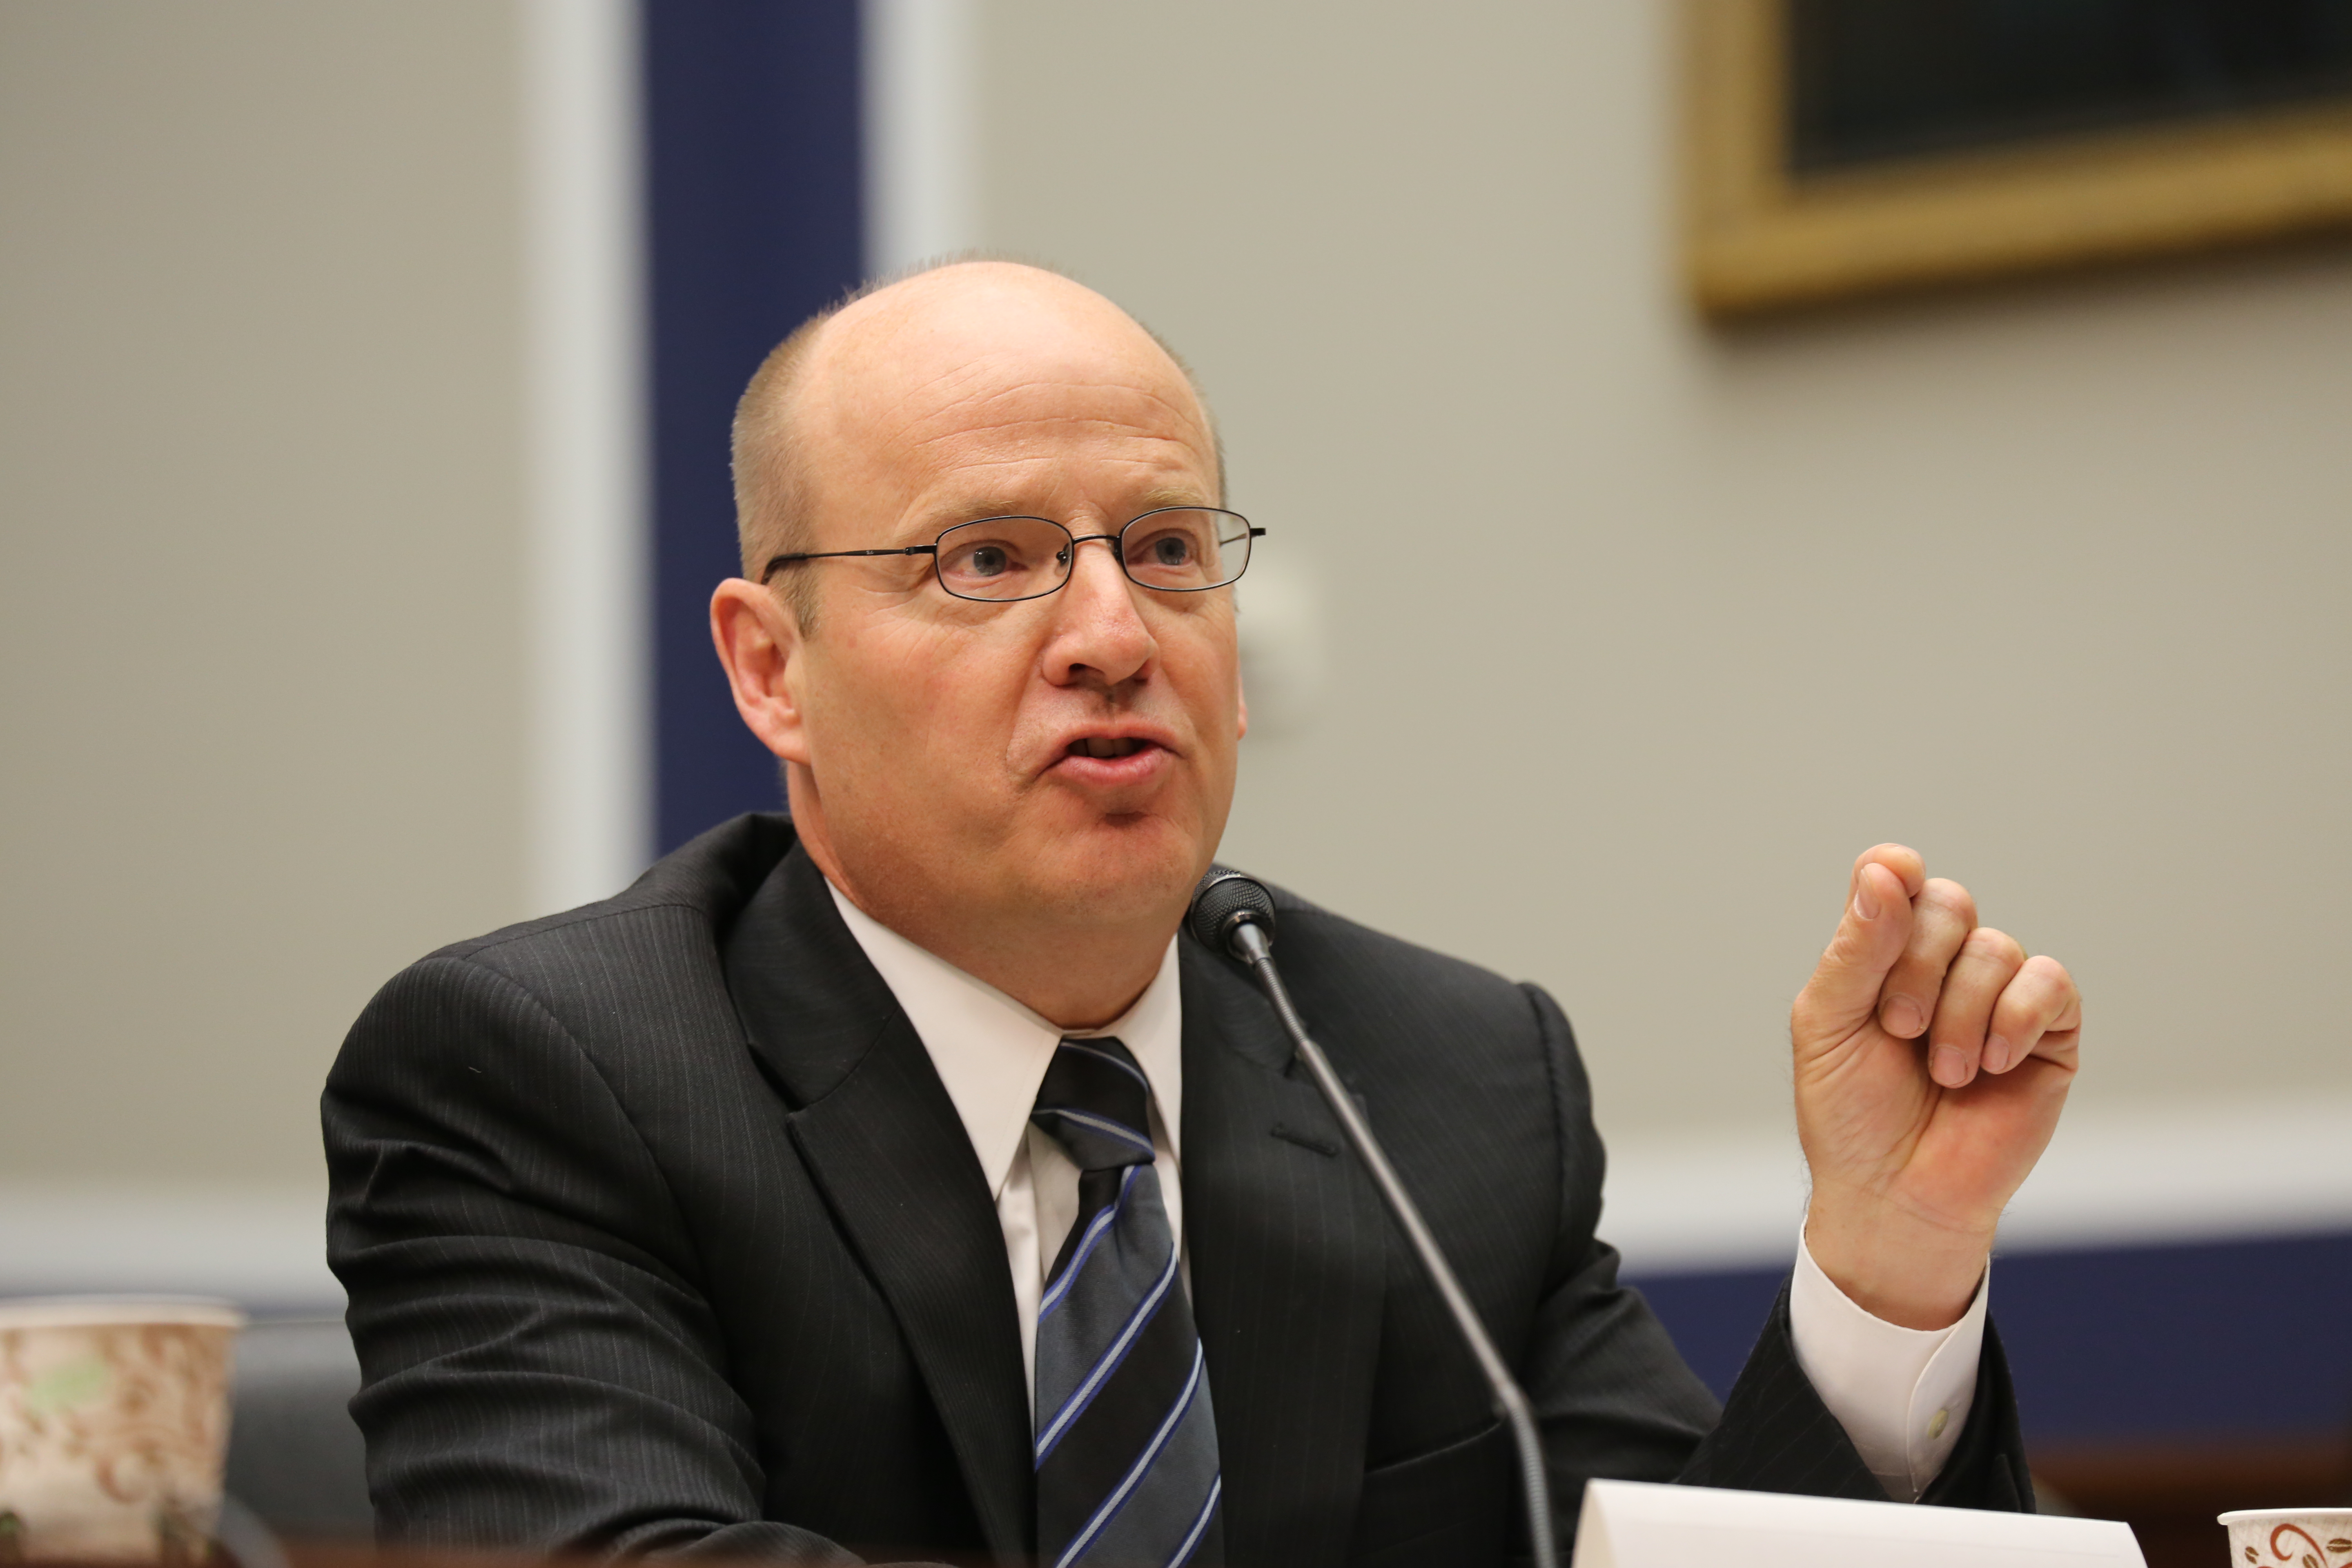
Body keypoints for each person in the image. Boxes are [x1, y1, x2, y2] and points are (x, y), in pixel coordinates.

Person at [324, 262, 2082, 1568]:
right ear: (772, 669)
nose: (1113, 634)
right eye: (987, 559)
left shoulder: (1445, 1081)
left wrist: (1890, 1264)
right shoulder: (550, 1075)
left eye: (1167, 549)